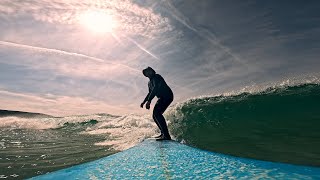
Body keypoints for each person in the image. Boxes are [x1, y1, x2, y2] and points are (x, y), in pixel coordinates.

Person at [140, 67, 173, 141]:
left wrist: (149, 101)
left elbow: (156, 88)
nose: (148, 73)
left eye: (149, 71)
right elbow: (149, 93)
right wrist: (144, 101)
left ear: (152, 71)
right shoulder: (149, 83)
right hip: (161, 97)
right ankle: (163, 133)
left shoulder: (157, 76)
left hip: (167, 95)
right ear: (145, 75)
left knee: (157, 113)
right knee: (155, 115)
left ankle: (166, 136)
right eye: (146, 72)